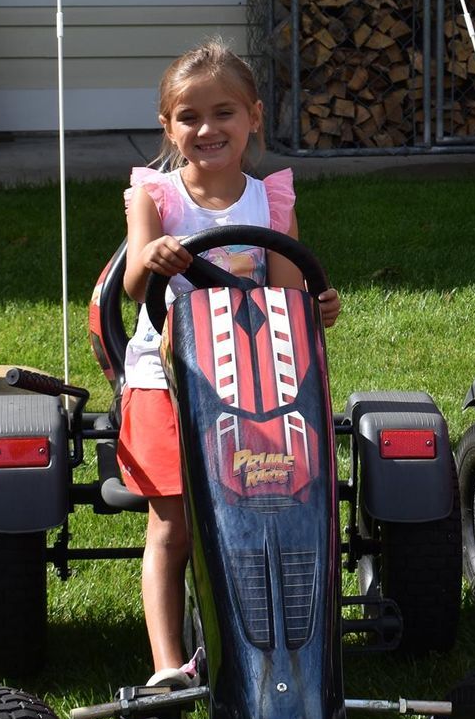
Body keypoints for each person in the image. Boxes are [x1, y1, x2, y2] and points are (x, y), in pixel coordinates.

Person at [119, 39, 344, 686]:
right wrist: (153, 255)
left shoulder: (268, 199)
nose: (207, 129)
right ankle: (167, 663)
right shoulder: (156, 196)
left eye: (223, 113)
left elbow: (285, 290)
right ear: (168, 127)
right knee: (174, 518)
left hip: (254, 377)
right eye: (188, 117)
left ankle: (279, 636)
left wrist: (316, 305)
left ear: (252, 117)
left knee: (274, 501)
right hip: (165, 376)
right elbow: (135, 282)